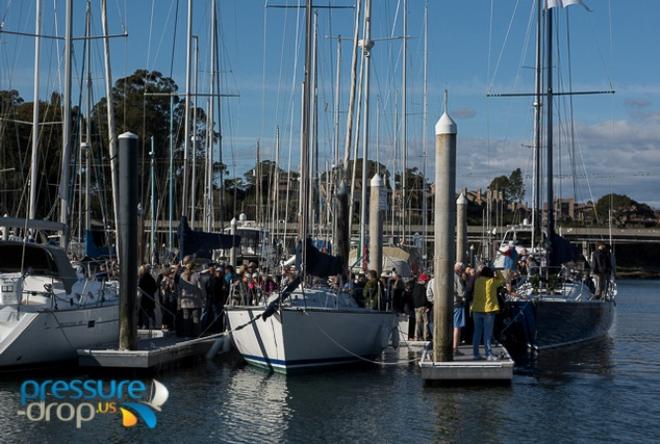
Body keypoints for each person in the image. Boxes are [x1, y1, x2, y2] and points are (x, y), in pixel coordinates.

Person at [471, 266, 504, 360]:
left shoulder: (477, 281)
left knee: (477, 333)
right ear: (490, 273)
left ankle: (475, 354)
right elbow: (502, 280)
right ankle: (488, 354)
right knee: (487, 334)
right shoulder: (492, 281)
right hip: (489, 311)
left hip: (476, 310)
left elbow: (475, 277)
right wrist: (497, 271)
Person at [178, 263, 204, 337]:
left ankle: (187, 335)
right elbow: (201, 288)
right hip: (196, 301)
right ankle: (196, 335)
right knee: (196, 319)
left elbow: (179, 289)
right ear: (194, 267)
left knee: (186, 319)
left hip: (185, 301)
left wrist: (179, 301)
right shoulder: (197, 275)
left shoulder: (182, 276)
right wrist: (203, 297)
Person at [137, 264, 158, 329]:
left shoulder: (141, 278)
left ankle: (146, 325)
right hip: (150, 297)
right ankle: (154, 325)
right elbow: (155, 287)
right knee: (151, 312)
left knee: (144, 313)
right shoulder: (151, 278)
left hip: (143, 298)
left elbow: (139, 287)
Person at [452, 263, 467, 355]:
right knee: (457, 327)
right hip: (457, 304)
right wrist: (464, 297)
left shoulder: (447, 275)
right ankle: (455, 349)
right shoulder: (457, 277)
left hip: (446, 304)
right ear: (459, 269)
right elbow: (461, 292)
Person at [412, 273, 431, 341]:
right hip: (423, 307)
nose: (426, 282)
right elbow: (425, 298)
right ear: (423, 281)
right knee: (425, 323)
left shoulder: (415, 287)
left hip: (416, 307)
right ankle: (426, 337)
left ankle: (416, 337)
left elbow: (414, 297)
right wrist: (427, 306)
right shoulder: (423, 288)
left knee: (418, 323)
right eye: (426, 281)